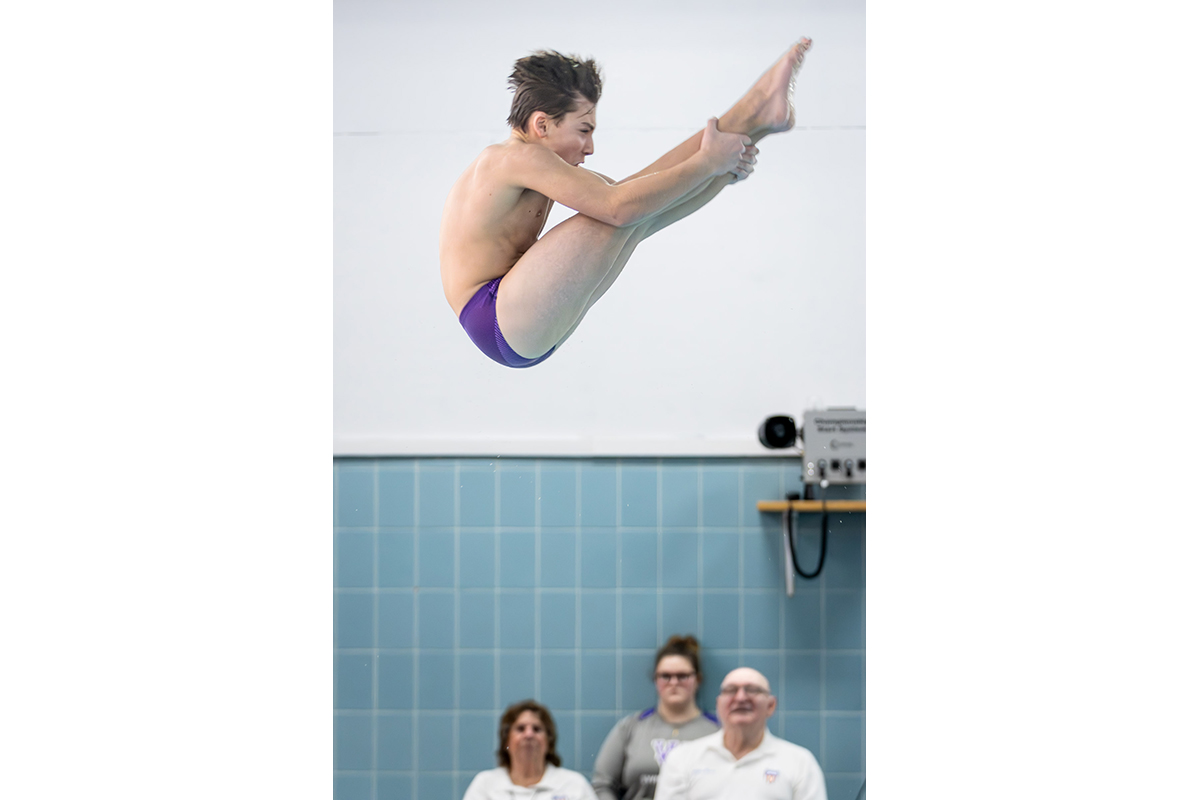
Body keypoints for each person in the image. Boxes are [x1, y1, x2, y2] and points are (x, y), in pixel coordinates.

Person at [439, 39, 812, 368]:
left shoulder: (535, 161)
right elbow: (619, 207)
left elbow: (638, 194)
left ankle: (758, 118)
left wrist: (719, 167)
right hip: (495, 314)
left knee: (639, 212)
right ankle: (753, 111)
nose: (590, 147)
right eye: (583, 130)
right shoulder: (511, 158)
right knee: (621, 213)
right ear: (542, 125)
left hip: (519, 322)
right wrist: (708, 164)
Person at [654, 667, 826, 800]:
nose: (741, 697)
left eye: (752, 690)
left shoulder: (801, 762)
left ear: (771, 705)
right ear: (719, 704)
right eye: (731, 690)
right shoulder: (682, 759)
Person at [591, 635, 720, 800]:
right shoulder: (631, 727)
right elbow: (602, 784)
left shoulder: (717, 730)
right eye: (665, 676)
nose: (674, 682)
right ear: (655, 679)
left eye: (682, 676)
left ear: (698, 679)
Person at [462, 699, 599, 800]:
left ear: (549, 741)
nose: (529, 735)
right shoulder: (485, 785)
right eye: (520, 729)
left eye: (537, 729)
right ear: (506, 741)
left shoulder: (574, 785)